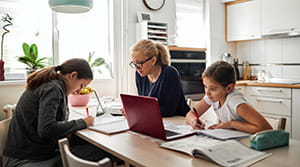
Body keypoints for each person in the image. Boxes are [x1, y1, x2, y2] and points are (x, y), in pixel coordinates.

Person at [2, 58, 116, 167]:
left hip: (31, 153)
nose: (80, 90)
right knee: (104, 153)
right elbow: (47, 129)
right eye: (82, 85)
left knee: (93, 148)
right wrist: (83, 122)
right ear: (73, 75)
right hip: (27, 160)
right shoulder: (53, 88)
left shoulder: (55, 84)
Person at [185, 60, 272, 134]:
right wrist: (193, 121)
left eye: (213, 89)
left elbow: (266, 129)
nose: (207, 93)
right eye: (205, 86)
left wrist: (231, 124)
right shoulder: (212, 97)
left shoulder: (235, 101)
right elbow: (191, 114)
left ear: (229, 88)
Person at [128, 39, 190, 117]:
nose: (137, 68)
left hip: (178, 121)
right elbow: (144, 104)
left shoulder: (170, 73)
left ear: (153, 60)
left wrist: (138, 110)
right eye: (134, 64)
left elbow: (169, 110)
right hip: (156, 119)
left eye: (139, 63)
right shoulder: (140, 74)